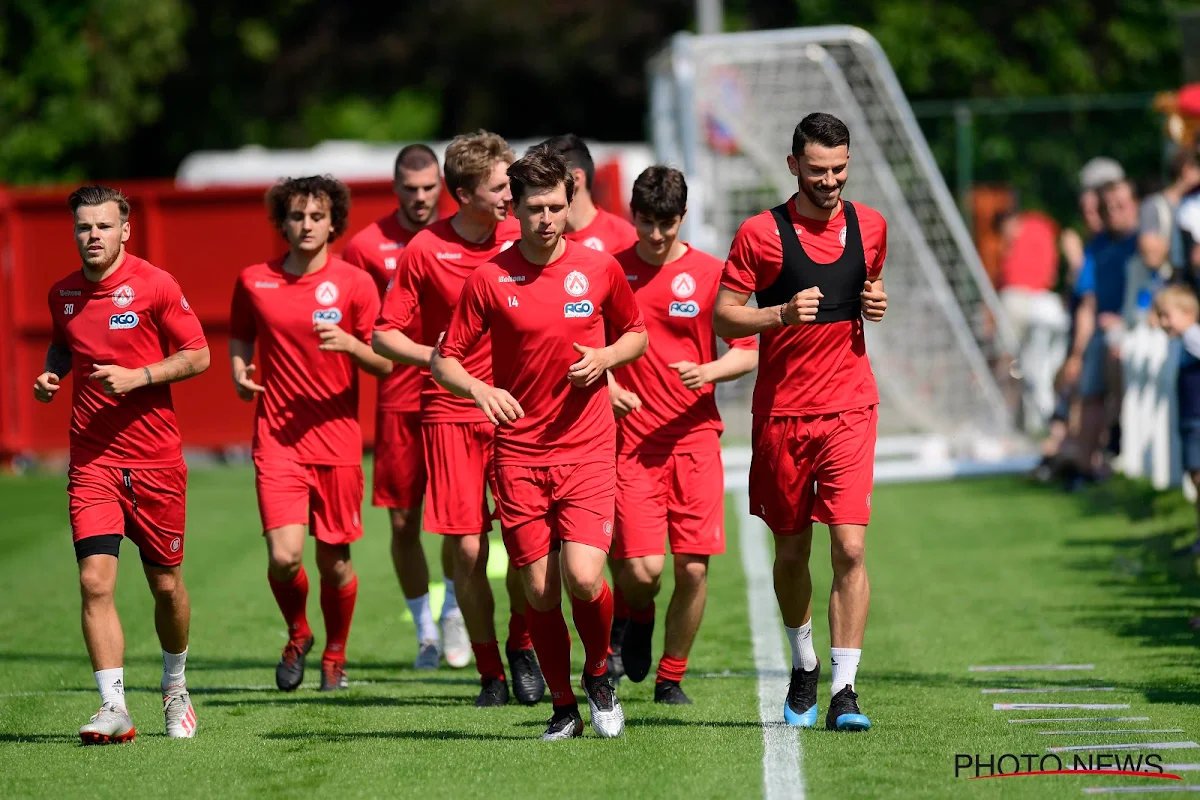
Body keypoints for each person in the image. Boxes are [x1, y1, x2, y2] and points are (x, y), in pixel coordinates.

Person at [431, 146, 648, 740]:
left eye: (556, 206)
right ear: (515, 209)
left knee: (583, 576)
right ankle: (563, 707)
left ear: (569, 203)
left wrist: (604, 358)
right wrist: (478, 389)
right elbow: (442, 359)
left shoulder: (598, 268)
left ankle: (600, 676)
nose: (547, 218)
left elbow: (636, 335)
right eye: (535, 208)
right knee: (538, 591)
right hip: (520, 454)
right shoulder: (490, 277)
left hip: (586, 447)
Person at [713, 112, 888, 732]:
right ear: (793, 166)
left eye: (840, 169)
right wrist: (781, 314)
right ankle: (805, 660)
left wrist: (875, 301)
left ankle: (845, 689)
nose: (830, 181)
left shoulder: (871, 225)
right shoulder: (761, 234)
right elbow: (725, 318)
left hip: (849, 406)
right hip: (783, 413)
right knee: (791, 553)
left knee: (850, 544)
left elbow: (868, 289)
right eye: (818, 170)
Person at [372, 130, 544, 707]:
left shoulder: (524, 236)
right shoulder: (426, 248)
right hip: (449, 412)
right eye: (500, 186)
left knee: (527, 545)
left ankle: (524, 646)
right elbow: (384, 333)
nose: (510, 194)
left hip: (520, 410)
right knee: (468, 551)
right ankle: (490, 671)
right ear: (464, 192)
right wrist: (441, 361)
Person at [37, 185, 210, 743]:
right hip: (92, 461)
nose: (93, 236)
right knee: (94, 581)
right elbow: (65, 344)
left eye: (103, 226)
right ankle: (113, 706)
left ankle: (175, 684)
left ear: (125, 229)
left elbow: (199, 355)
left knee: (166, 586)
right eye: (84, 227)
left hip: (156, 460)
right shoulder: (62, 294)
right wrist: (52, 375)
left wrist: (140, 377)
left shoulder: (155, 284)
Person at [230, 176, 394, 692]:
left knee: (336, 563)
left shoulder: (354, 284)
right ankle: (299, 633)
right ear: (282, 222)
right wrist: (239, 371)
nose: (306, 225)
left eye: (316, 217)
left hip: (338, 441)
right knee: (284, 557)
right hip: (277, 439)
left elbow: (385, 363)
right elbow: (239, 333)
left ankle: (336, 657)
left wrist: (349, 343)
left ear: (333, 223)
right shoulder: (254, 278)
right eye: (297, 216)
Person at [606, 165, 758, 704]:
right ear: (633, 216)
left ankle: (671, 678)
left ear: (683, 217)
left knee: (692, 568)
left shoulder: (713, 273)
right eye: (645, 222)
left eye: (665, 223)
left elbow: (746, 351)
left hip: (695, 441)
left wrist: (708, 371)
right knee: (643, 572)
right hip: (631, 443)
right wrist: (606, 386)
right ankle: (638, 615)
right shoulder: (610, 273)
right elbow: (577, 344)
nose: (654, 235)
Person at [342, 143, 468, 670]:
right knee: (402, 522)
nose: (419, 198)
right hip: (398, 398)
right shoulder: (366, 246)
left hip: (458, 393)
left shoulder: (461, 235)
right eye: (409, 189)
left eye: (427, 188)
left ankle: (456, 612)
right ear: (394, 189)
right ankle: (426, 631)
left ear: (441, 187)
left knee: (460, 522)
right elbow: (357, 327)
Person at [1060, 178, 1140, 485]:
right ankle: (1083, 468)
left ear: (1135, 205)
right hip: (1099, 335)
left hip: (1134, 333)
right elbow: (1087, 305)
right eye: (1108, 207)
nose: (1115, 213)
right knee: (1088, 392)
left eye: (1121, 205)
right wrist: (1076, 354)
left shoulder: (1143, 243)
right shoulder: (1097, 248)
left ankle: (1116, 443)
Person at [540, 134, 638, 253]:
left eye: (547, 177)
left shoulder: (626, 239)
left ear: (576, 178)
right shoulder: (537, 239)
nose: (537, 185)